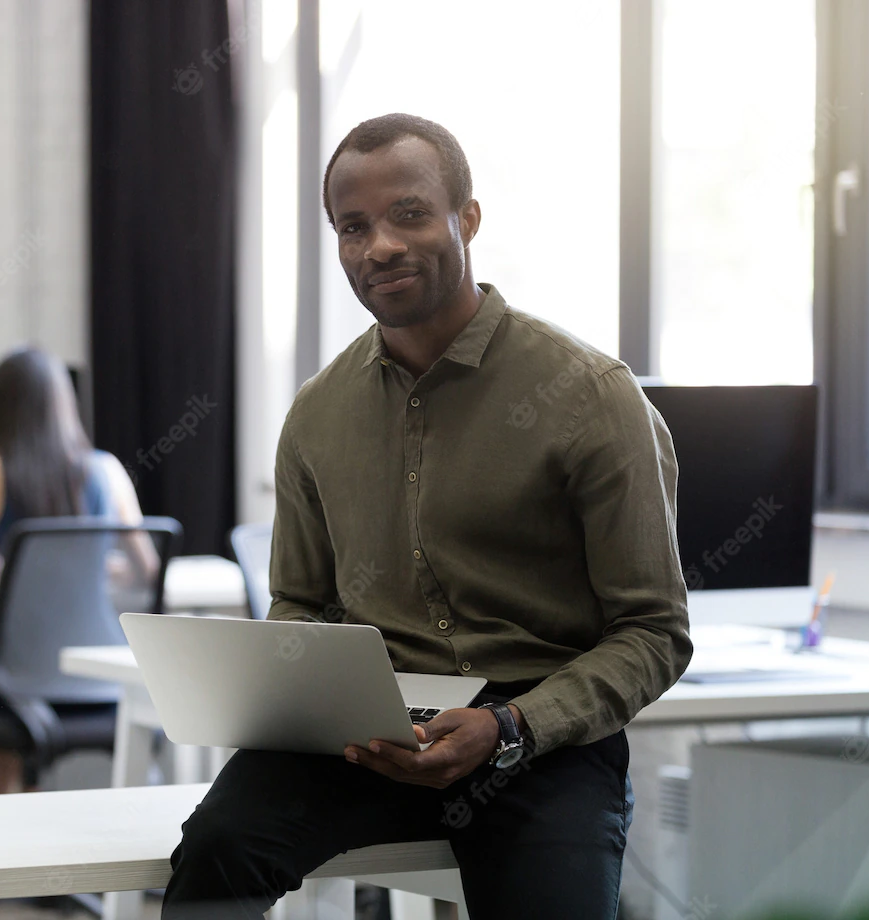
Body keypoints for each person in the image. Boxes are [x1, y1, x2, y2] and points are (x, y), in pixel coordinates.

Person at [162, 114, 694, 918]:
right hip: (364, 734)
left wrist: (510, 725)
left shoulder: (591, 397)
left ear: (466, 219)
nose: (379, 246)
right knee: (213, 858)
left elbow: (654, 631)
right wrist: (315, 694)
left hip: (536, 739)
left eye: (408, 214)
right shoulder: (316, 414)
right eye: (353, 227)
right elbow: (300, 604)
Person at [0, 347, 150, 794]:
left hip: (19, 677)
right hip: (102, 676)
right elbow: (146, 570)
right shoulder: (107, 471)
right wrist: (91, 569)